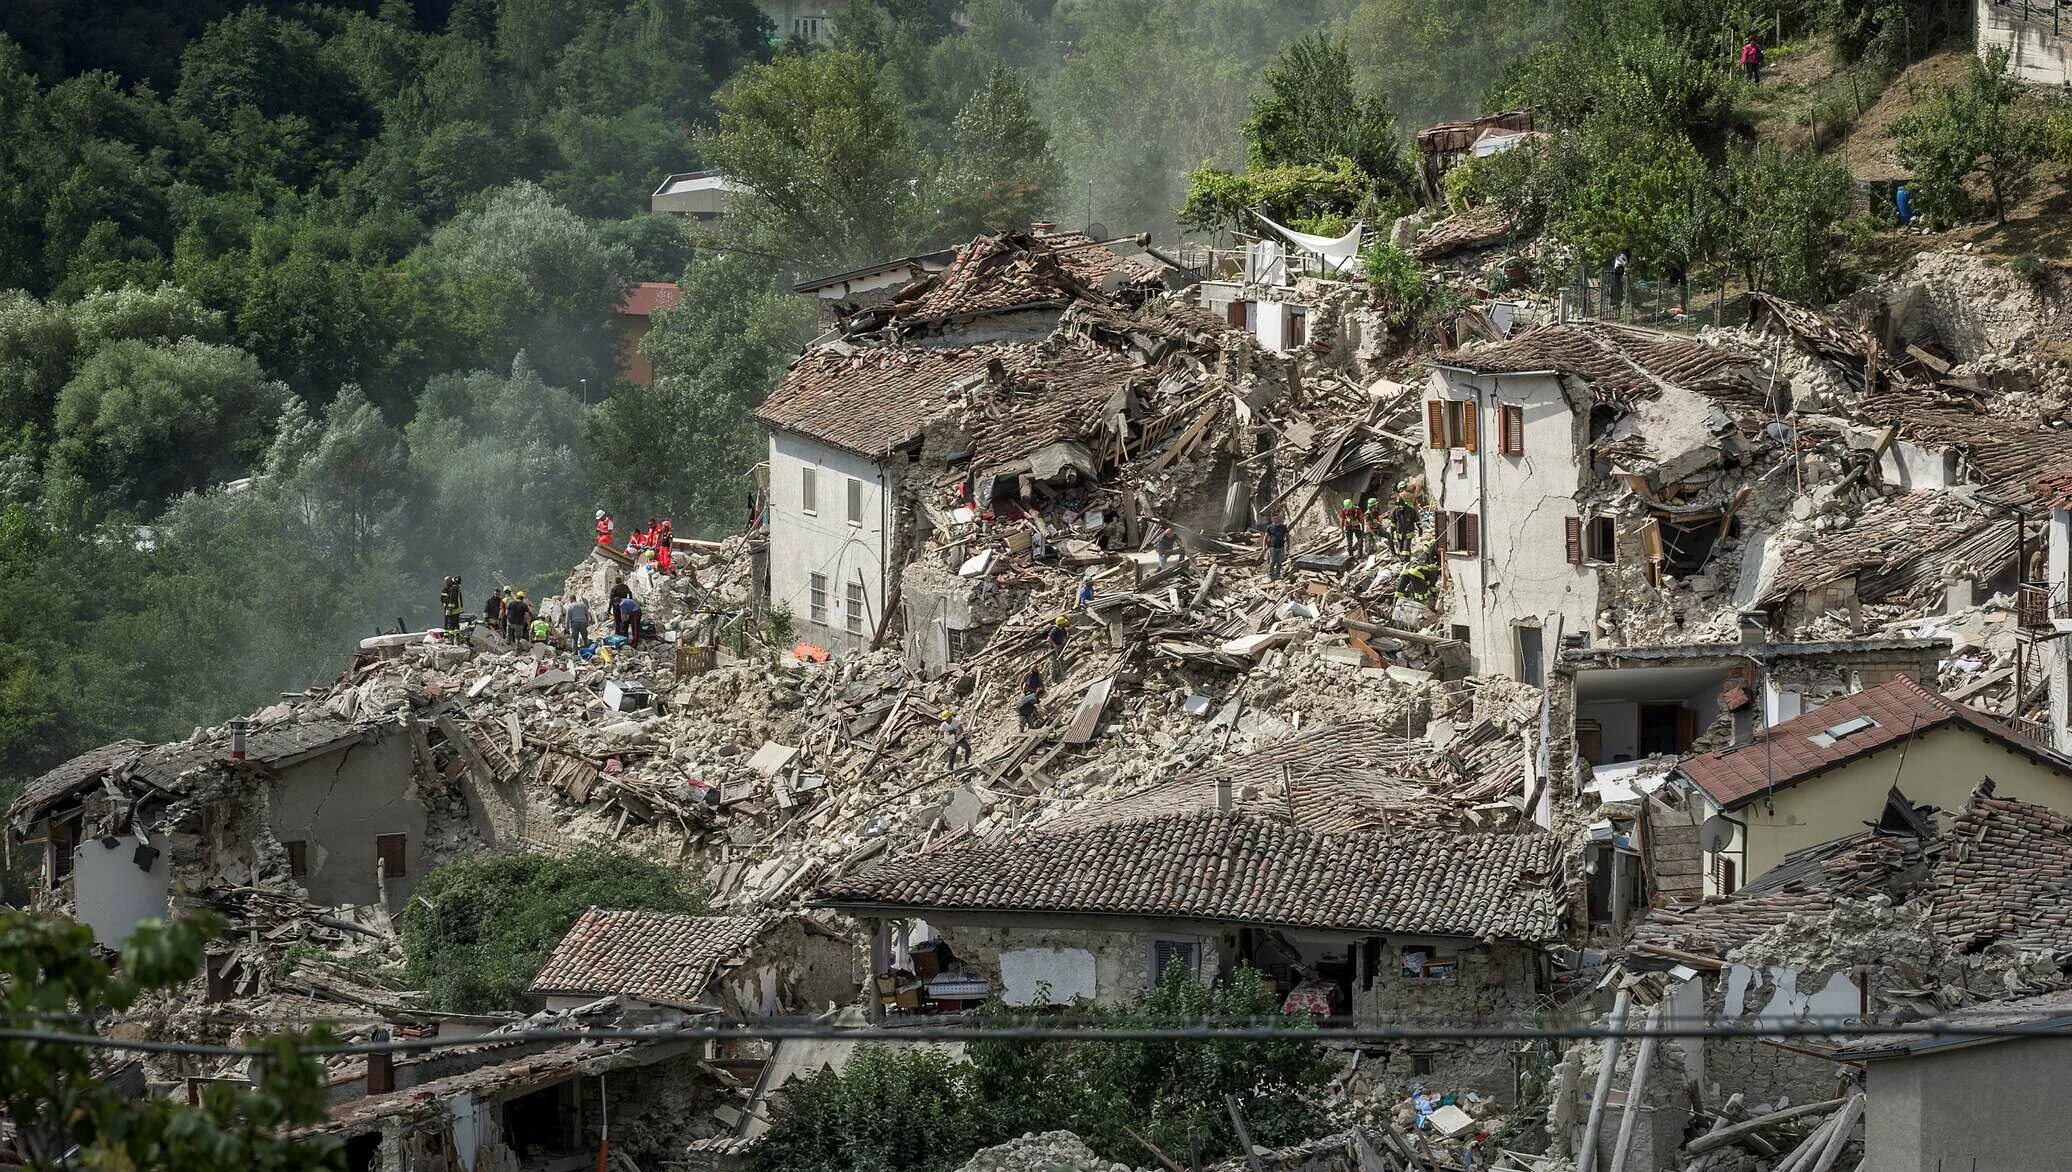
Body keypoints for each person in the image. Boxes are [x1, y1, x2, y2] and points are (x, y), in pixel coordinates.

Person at [1046, 615, 1070, 682]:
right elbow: (1049, 639)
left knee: (1061, 660)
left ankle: (1061, 674)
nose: (1065, 624)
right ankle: (1053, 679)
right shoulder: (1054, 630)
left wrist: (1067, 637)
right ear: (1060, 624)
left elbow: (1065, 635)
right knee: (1053, 663)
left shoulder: (1062, 629)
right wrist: (1055, 645)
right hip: (1053, 649)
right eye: (1064, 623)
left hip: (1060, 646)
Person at [1264, 514, 1288, 580]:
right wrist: (1264, 546)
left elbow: (1287, 536)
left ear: (1280, 518)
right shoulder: (1269, 527)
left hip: (1281, 547)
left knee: (1279, 561)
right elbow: (1266, 537)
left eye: (1277, 518)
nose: (1276, 519)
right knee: (1272, 561)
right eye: (1275, 518)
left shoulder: (1283, 527)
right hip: (1272, 547)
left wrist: (1288, 545)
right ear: (1272, 519)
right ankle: (1270, 575)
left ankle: (1278, 574)